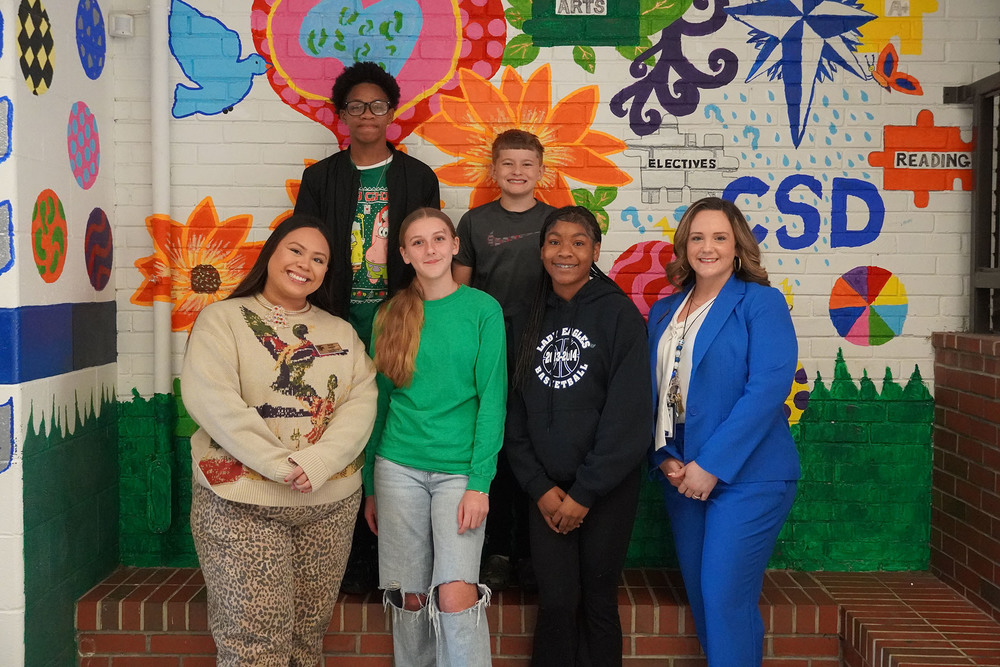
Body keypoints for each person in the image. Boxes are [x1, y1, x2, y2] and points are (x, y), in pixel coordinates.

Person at [181, 215, 378, 666]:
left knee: (306, 644)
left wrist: (320, 461)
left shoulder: (341, 332)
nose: (304, 264)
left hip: (328, 504)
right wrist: (280, 464)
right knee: (254, 646)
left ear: (327, 273)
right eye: (295, 250)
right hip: (240, 502)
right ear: (271, 252)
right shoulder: (222, 320)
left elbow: (361, 400)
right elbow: (212, 399)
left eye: (319, 259)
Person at [294, 60, 440, 593]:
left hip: (397, 318)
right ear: (342, 115)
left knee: (389, 426)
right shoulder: (321, 178)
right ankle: (349, 562)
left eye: (377, 105)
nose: (367, 115)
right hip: (335, 319)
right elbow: (304, 246)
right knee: (340, 429)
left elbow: (427, 247)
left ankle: (391, 561)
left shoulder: (417, 177)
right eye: (356, 106)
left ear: (392, 113)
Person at [647, 197, 800, 666]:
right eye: (697, 237)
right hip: (682, 478)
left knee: (725, 599)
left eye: (719, 237)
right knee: (707, 603)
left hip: (749, 478)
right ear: (684, 246)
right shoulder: (664, 311)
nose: (707, 247)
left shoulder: (760, 302)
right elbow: (655, 392)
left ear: (738, 248)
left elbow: (768, 387)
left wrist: (710, 465)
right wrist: (664, 455)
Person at [506, 206, 652, 666]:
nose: (564, 251)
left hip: (604, 490)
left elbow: (628, 416)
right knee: (555, 603)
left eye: (578, 241)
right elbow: (511, 411)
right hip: (545, 491)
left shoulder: (619, 315)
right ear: (541, 249)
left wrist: (585, 492)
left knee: (597, 602)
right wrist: (540, 489)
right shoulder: (525, 315)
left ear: (595, 250)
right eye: (554, 241)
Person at [363, 208, 506, 666]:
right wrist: (370, 487)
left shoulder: (483, 310)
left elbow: (492, 401)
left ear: (455, 245)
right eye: (418, 242)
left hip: (459, 474)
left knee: (456, 595)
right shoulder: (390, 314)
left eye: (438, 238)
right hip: (396, 469)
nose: (430, 249)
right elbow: (378, 405)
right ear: (404, 254)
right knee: (410, 598)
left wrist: (480, 482)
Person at [452, 129, 555, 591]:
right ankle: (495, 551)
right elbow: (459, 295)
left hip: (545, 353)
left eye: (526, 164)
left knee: (535, 450)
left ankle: (533, 552)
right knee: (494, 448)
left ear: (541, 170)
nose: (517, 172)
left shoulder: (556, 222)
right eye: (508, 164)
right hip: (490, 355)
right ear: (493, 170)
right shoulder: (474, 223)